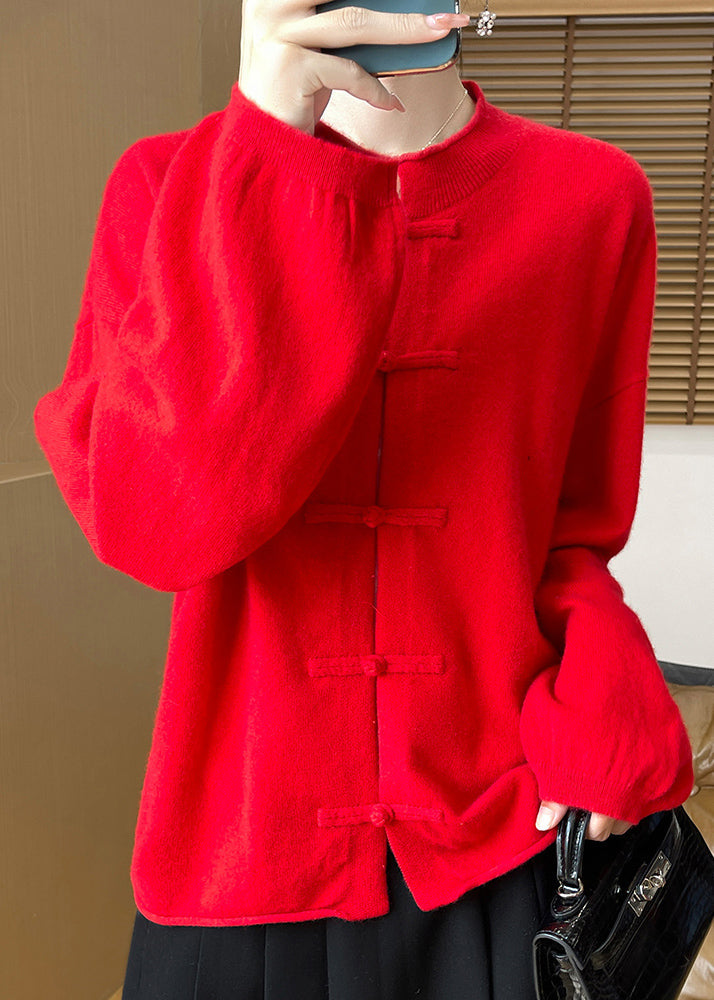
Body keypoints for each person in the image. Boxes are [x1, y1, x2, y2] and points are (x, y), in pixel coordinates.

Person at [33, 2, 695, 998]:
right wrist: (270, 155)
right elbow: (151, 522)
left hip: (499, 835)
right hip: (238, 854)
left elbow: (572, 529)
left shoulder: (593, 198)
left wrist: (608, 664)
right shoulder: (168, 185)